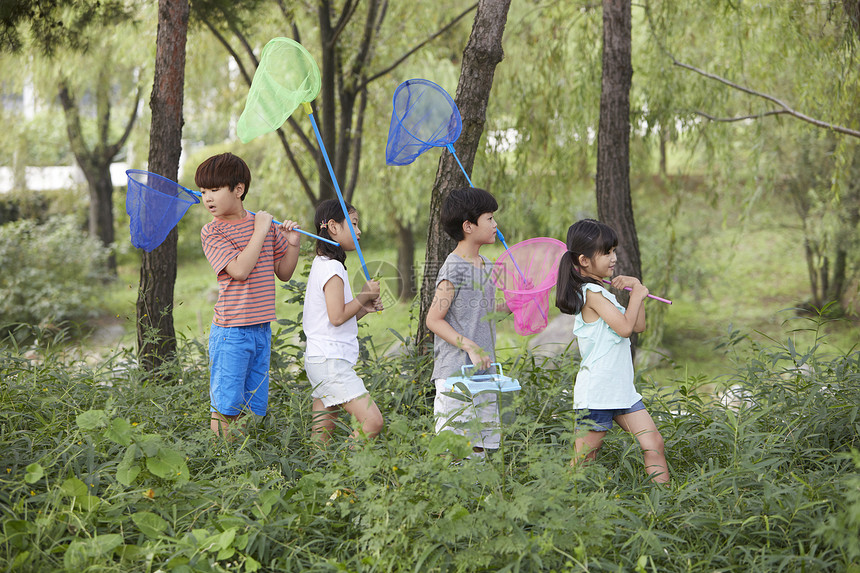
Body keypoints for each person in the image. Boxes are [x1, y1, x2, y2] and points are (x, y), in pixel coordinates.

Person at [556, 218, 669, 484]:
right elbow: (624, 329)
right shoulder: (592, 293)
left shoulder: (604, 293)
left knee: (654, 443)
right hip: (597, 392)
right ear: (584, 260)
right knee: (584, 459)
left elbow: (637, 324)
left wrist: (635, 290)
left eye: (614, 251)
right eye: (606, 252)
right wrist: (639, 295)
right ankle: (566, 509)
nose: (614, 258)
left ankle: (663, 507)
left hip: (620, 390)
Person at [197, 152, 302, 438]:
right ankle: (222, 464)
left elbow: (283, 272)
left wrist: (292, 244)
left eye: (214, 189)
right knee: (225, 405)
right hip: (231, 331)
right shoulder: (212, 232)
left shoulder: (262, 225)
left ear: (238, 189)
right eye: (203, 191)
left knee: (252, 406)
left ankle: (243, 462)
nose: (207, 197)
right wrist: (261, 229)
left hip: (260, 329)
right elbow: (240, 270)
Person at [426, 186, 508, 458]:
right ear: (469, 226)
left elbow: (481, 310)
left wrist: (517, 303)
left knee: (480, 450)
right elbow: (434, 319)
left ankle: (475, 501)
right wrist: (470, 346)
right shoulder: (454, 267)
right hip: (456, 373)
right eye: (489, 218)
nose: (495, 224)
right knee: (452, 451)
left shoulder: (485, 263)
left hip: (484, 373)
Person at [303, 199, 384, 443]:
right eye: (354, 224)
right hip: (330, 362)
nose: (359, 232)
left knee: (322, 437)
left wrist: (363, 308)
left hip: (320, 358)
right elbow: (337, 317)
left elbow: (334, 317)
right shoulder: (333, 269)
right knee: (373, 421)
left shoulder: (324, 264)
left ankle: (321, 478)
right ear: (333, 227)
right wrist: (363, 295)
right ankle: (349, 470)